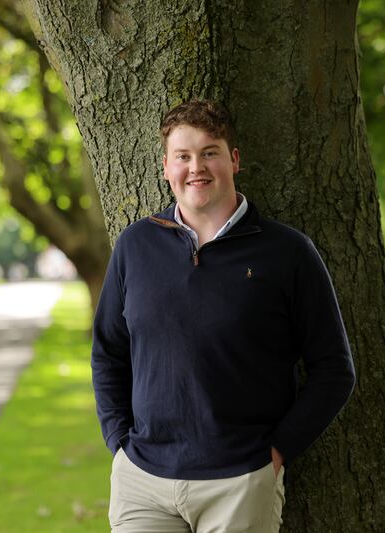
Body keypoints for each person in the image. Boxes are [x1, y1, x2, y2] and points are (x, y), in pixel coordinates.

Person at [92, 99, 356, 532]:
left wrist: (275, 452)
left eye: (209, 152)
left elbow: (334, 369)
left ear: (234, 159)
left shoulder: (287, 252)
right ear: (166, 167)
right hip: (142, 481)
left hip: (239, 480)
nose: (196, 167)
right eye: (183, 156)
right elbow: (108, 352)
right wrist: (118, 442)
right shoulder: (135, 246)